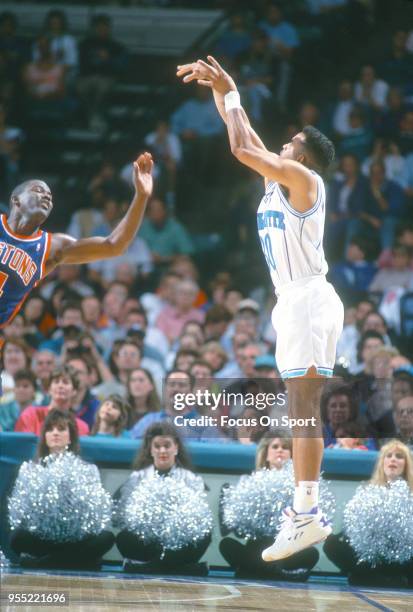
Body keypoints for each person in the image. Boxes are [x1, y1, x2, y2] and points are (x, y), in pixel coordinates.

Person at [177, 56, 344, 562]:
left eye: (292, 142)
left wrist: (230, 91)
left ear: (304, 158)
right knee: (298, 410)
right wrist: (225, 91)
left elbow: (241, 144)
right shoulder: (278, 183)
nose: (284, 143)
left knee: (303, 410)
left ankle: (306, 513)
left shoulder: (304, 181)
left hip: (309, 297)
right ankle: (304, 511)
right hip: (293, 300)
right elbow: (244, 133)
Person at [0, 152, 153, 333]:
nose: (47, 197)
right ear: (16, 200)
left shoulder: (51, 247)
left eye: (50, 197)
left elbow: (114, 246)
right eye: (38, 191)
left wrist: (141, 196)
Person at [8, 409, 114, 569]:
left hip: (76, 539)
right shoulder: (29, 469)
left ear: (70, 436)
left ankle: (44, 562)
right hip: (43, 538)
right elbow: (21, 514)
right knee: (16, 538)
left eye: (61, 429)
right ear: (44, 437)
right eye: (50, 429)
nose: (55, 433)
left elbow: (97, 515)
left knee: (106, 538)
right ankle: (75, 561)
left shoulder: (89, 469)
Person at [114, 422, 212, 574]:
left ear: (176, 448)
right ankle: (179, 568)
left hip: (178, 542)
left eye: (167, 445)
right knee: (123, 538)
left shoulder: (192, 479)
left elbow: (199, 516)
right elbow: (123, 515)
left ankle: (149, 567)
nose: (162, 451)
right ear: (150, 450)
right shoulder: (137, 477)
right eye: (157, 446)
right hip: (147, 542)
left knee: (204, 536)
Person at [219, 433, 320, 580]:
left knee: (311, 554)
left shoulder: (301, 485)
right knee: (226, 545)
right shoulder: (249, 482)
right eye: (275, 447)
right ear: (266, 454)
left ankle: (257, 571)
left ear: (292, 455)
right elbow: (238, 533)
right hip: (258, 547)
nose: (280, 450)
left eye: (285, 447)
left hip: (287, 548)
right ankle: (278, 572)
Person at [323, 440, 413, 587]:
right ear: (382, 463)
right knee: (332, 543)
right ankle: (374, 577)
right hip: (371, 557)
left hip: (402, 560)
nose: (393, 459)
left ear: (406, 464)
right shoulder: (366, 492)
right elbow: (350, 531)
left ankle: (388, 578)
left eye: (399, 456)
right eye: (388, 456)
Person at [14, 365, 89, 436]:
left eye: (65, 382)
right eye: (56, 382)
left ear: (74, 391)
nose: (60, 386)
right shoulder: (31, 415)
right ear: (49, 389)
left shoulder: (81, 427)